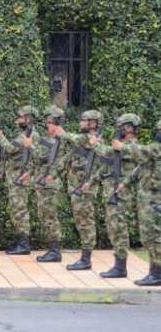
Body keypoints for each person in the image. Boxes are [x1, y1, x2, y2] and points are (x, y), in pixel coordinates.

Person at [85, 113, 140, 278]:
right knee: (113, 228)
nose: (118, 129)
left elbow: (106, 152)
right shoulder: (120, 146)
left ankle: (121, 266)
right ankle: (118, 264)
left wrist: (96, 144)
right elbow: (108, 165)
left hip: (121, 195)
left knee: (119, 229)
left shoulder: (131, 146)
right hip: (112, 193)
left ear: (129, 128)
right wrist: (92, 181)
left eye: (121, 126)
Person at [113, 119, 161, 285]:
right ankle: (155, 272)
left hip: (155, 199)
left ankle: (157, 274)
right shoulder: (155, 150)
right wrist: (124, 183)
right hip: (147, 199)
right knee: (148, 236)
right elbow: (140, 168)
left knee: (154, 236)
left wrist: (123, 147)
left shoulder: (156, 149)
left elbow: (143, 151)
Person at [54, 110, 103, 270]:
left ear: (93, 123)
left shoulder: (93, 138)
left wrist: (63, 133)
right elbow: (70, 156)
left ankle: (86, 259)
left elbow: (75, 139)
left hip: (85, 188)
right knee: (81, 222)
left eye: (84, 120)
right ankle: (84, 257)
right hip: (77, 187)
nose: (80, 122)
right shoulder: (83, 139)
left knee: (86, 222)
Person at [0, 105, 40, 255]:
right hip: (15, 178)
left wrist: (0, 136)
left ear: (29, 118)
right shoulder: (24, 134)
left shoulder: (29, 135)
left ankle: (24, 244)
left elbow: (9, 149)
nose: (18, 120)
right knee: (15, 210)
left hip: (20, 179)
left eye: (21, 117)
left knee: (20, 210)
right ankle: (20, 239)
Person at [23, 106, 68, 262]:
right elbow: (40, 161)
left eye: (49, 122)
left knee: (49, 217)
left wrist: (30, 146)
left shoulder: (59, 139)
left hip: (50, 184)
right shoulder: (52, 139)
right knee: (45, 216)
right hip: (43, 183)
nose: (47, 125)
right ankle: (52, 249)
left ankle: (55, 251)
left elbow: (44, 157)